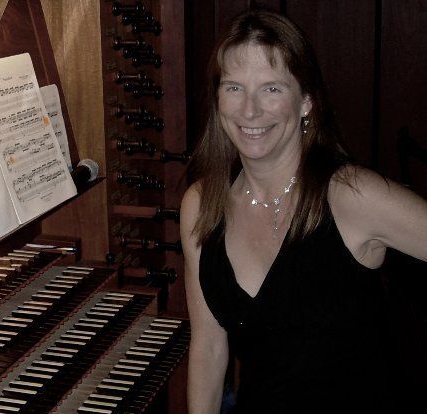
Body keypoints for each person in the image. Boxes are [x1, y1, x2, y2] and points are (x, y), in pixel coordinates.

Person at [181, 8, 427, 414]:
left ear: (306, 101)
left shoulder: (351, 195)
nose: (250, 110)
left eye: (272, 89)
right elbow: (208, 346)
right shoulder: (202, 203)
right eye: (234, 87)